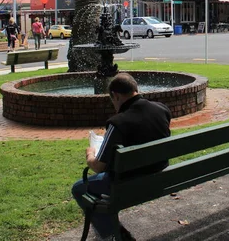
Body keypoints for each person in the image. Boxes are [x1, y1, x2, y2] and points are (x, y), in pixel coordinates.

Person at [71, 73, 172, 241]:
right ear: (135, 90)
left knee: (79, 188)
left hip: (128, 186)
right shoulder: (161, 109)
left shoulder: (118, 122)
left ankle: (112, 234)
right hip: (161, 175)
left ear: (116, 96)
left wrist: (90, 154)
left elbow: (98, 166)